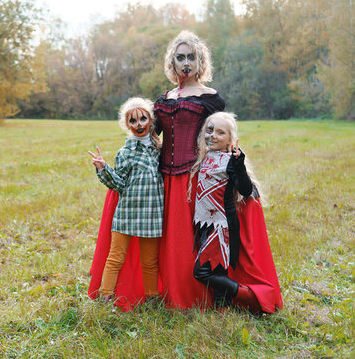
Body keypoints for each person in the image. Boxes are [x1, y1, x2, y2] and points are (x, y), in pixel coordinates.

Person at [89, 30, 225, 310]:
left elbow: (219, 134)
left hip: (194, 177)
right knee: (164, 242)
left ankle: (191, 294)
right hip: (162, 180)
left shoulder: (211, 98)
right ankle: (155, 293)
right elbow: (148, 134)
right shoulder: (163, 100)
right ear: (172, 63)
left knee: (187, 240)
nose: (186, 63)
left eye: (191, 57)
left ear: (200, 61)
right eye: (180, 57)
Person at [87, 97, 163, 304]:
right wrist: (104, 168)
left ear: (150, 120)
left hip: (152, 214)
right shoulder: (126, 152)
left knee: (150, 261)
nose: (139, 124)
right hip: (127, 213)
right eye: (133, 121)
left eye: (142, 119)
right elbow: (119, 184)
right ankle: (105, 296)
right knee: (115, 258)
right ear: (127, 125)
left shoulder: (159, 150)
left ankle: (152, 298)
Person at [190, 112, 261, 311]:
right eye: (210, 130)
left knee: (201, 272)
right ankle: (223, 307)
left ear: (231, 139)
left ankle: (243, 294)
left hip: (220, 227)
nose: (212, 135)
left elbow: (246, 190)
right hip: (203, 223)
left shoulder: (230, 160)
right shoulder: (205, 156)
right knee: (216, 270)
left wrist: (238, 164)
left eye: (220, 133)